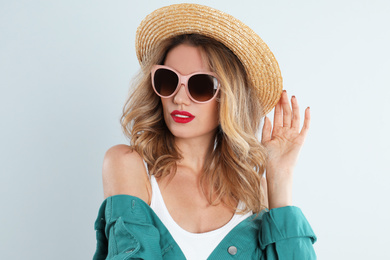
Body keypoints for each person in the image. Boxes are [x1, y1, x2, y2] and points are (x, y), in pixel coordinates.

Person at [93, 3, 317, 260]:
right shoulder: (129, 166)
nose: (179, 98)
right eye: (168, 80)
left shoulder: (255, 191)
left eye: (200, 86)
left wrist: (280, 177)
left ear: (229, 98)